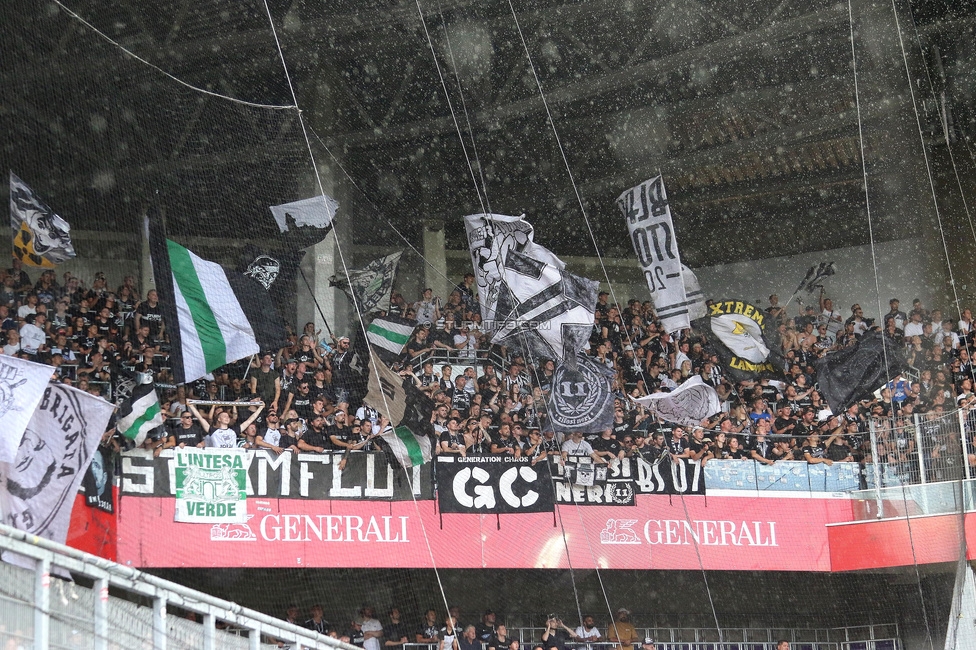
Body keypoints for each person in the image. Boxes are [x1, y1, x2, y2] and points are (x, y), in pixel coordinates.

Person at [188, 399, 265, 448]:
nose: (227, 417)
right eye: (224, 416)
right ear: (219, 419)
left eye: (228, 416)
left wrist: (260, 408)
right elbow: (200, 418)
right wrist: (191, 406)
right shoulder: (213, 430)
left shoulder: (234, 430)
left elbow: (249, 420)